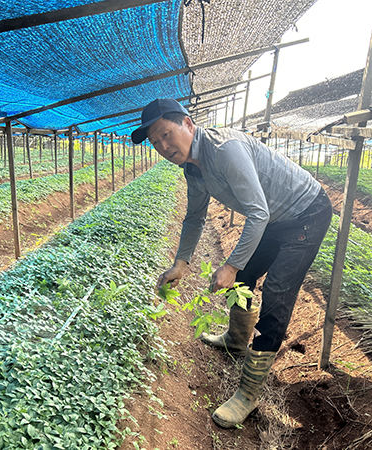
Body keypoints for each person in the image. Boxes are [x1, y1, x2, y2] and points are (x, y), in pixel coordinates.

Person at [131, 98, 332, 428]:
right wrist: (181, 264)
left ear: (188, 124)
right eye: (156, 142)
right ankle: (237, 339)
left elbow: (258, 213)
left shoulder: (225, 150)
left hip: (305, 213)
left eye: (167, 134)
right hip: (274, 219)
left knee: (278, 291)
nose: (164, 146)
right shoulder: (192, 169)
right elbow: (194, 217)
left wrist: (231, 265)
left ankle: (248, 394)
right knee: (247, 276)